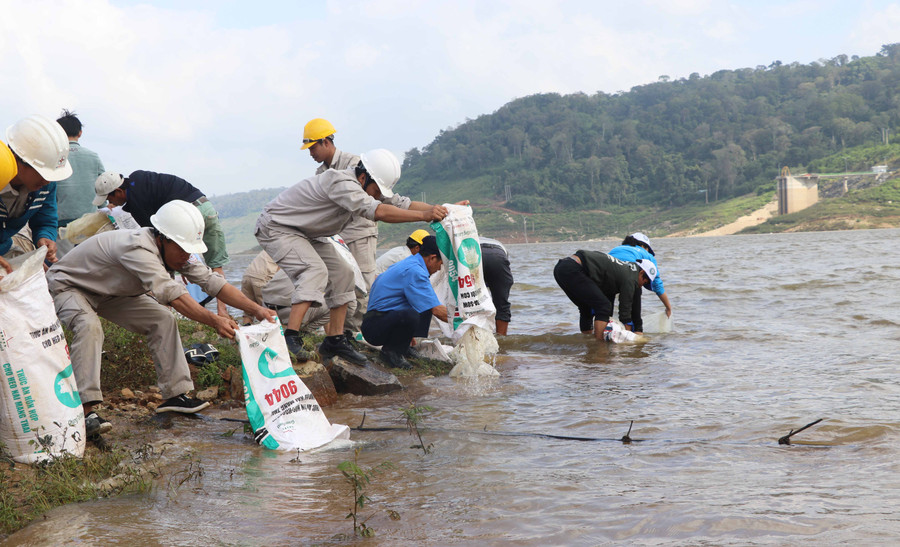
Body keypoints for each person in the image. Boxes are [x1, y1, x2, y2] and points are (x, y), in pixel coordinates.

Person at [46, 200, 276, 438]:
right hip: (70, 286)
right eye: (182, 248)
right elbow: (174, 295)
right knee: (89, 326)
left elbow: (213, 282)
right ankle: (85, 412)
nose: (186, 255)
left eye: (190, 249)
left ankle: (175, 394)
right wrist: (214, 320)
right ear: (163, 238)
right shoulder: (137, 248)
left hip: (110, 292)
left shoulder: (176, 253)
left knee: (163, 319)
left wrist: (257, 310)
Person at [255, 148, 447, 365]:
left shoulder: (368, 184)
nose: (376, 196)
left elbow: (402, 204)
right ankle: (291, 337)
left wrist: (442, 210)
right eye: (375, 191)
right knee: (314, 270)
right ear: (363, 177)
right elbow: (379, 212)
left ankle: (335, 340)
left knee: (344, 273)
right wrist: (423, 216)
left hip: (307, 233)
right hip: (277, 226)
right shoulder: (341, 182)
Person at [92, 170, 231, 317]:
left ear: (119, 191)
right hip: (206, 208)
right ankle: (223, 312)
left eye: (109, 198)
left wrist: (179, 264)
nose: (110, 203)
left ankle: (169, 313)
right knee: (216, 265)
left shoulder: (136, 201)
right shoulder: (139, 178)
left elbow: (158, 240)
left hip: (186, 218)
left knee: (162, 260)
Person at [362, 236, 448, 369]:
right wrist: (463, 320)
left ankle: (403, 346)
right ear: (432, 258)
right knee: (416, 311)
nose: (439, 269)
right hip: (374, 327)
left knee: (426, 302)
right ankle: (391, 352)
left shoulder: (411, 263)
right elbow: (437, 310)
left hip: (380, 320)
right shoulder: (415, 271)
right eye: (440, 263)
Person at [1, 115, 72, 273]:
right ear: (18, 160)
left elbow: (46, 219)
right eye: (43, 173)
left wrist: (44, 236)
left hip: (5, 249)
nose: (47, 181)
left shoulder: (45, 185)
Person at [553, 250, 656, 339]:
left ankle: (588, 341)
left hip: (561, 268)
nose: (642, 285)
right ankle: (599, 347)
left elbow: (607, 299)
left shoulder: (623, 269)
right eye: (645, 282)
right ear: (641, 272)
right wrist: (628, 335)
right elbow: (625, 310)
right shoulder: (631, 277)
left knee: (586, 308)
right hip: (573, 268)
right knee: (603, 306)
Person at [608, 232, 672, 325]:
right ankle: (634, 333)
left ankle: (596, 336)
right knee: (634, 318)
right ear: (642, 245)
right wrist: (668, 307)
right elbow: (657, 284)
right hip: (630, 278)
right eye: (647, 249)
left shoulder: (615, 249)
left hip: (607, 278)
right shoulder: (647, 255)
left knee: (605, 314)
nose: (647, 252)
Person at [55, 110, 105, 227]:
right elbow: (103, 186)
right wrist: (103, 207)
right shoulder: (93, 156)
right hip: (89, 222)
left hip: (60, 222)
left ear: (59, 133)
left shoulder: (55, 156)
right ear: (80, 133)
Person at [480, 237, 514, 335]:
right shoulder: (498, 244)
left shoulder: (469, 239)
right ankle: (501, 340)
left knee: (470, 300)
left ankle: (471, 338)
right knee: (502, 304)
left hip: (474, 252)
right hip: (499, 255)